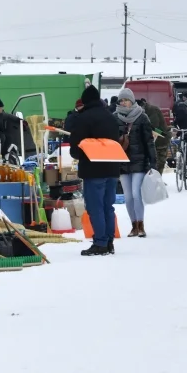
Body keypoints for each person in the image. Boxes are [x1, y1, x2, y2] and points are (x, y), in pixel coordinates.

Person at [69, 86, 121, 256]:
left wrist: (78, 154)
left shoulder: (83, 118)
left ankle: (100, 243)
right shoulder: (111, 117)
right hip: (112, 167)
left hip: (93, 169)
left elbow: (76, 147)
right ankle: (109, 241)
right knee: (108, 206)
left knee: (95, 207)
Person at [114, 89, 157, 238]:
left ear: (132, 100)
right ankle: (133, 225)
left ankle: (141, 224)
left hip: (139, 161)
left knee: (136, 194)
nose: (123, 102)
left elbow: (149, 141)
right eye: (121, 100)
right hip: (122, 162)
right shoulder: (115, 117)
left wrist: (153, 161)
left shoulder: (142, 116)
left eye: (126, 100)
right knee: (127, 197)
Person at [139, 98, 169, 174]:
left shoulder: (152, 110)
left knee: (158, 163)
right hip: (154, 139)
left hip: (161, 139)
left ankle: (156, 180)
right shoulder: (148, 110)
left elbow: (154, 127)